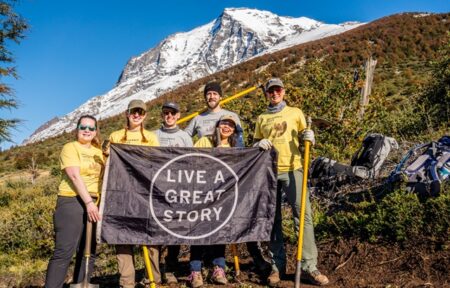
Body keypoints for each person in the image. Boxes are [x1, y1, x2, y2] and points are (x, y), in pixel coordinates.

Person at [253, 78, 329, 286]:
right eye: (271, 91)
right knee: (273, 219)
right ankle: (277, 267)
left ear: (283, 91)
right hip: (269, 171)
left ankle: (309, 266)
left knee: (303, 216)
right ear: (267, 94)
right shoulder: (261, 118)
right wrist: (258, 143)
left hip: (293, 168)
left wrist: (310, 137)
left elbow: (305, 137)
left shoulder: (296, 112)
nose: (274, 93)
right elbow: (255, 142)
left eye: (278, 90)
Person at [45, 115, 104, 288]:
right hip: (72, 200)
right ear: (77, 129)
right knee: (64, 251)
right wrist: (88, 202)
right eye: (83, 127)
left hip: (95, 202)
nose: (87, 130)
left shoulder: (100, 152)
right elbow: (74, 175)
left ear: (95, 131)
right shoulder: (70, 147)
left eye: (91, 128)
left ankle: (81, 284)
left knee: (88, 252)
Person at [108, 99, 161, 288]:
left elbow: (156, 163)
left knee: (151, 235)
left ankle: (152, 278)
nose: (137, 115)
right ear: (127, 114)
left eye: (140, 112)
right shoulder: (115, 136)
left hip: (145, 193)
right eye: (133, 112)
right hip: (121, 194)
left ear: (145, 115)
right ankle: (127, 282)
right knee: (122, 237)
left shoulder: (151, 137)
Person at [188, 114, 240, 287]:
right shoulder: (204, 141)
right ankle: (195, 271)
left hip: (223, 196)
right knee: (198, 231)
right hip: (202, 193)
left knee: (220, 230)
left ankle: (218, 268)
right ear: (218, 125)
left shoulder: (234, 146)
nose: (227, 127)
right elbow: (191, 161)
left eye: (231, 125)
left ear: (234, 130)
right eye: (224, 123)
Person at [154, 101, 193, 284]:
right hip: (157, 190)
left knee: (175, 229)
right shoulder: (153, 136)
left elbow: (191, 163)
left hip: (178, 191)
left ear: (178, 115)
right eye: (166, 113)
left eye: (173, 113)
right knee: (155, 229)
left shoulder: (185, 137)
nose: (169, 116)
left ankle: (170, 268)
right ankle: (153, 270)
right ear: (162, 115)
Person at [185, 81, 244, 147]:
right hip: (204, 155)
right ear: (205, 97)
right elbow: (184, 137)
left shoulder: (232, 116)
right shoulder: (197, 118)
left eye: (215, 94)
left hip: (226, 155)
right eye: (209, 94)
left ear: (220, 97)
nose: (212, 96)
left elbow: (240, 140)